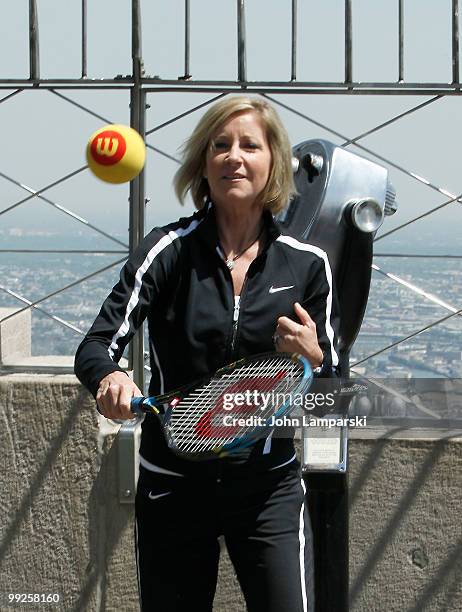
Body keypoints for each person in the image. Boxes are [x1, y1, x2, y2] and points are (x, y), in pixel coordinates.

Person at [74, 96, 339, 612]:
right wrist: (110, 378)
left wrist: (316, 359)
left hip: (268, 489)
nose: (233, 157)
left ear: (274, 163)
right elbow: (94, 346)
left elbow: (329, 390)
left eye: (249, 145)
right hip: (174, 488)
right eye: (219, 146)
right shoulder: (166, 251)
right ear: (202, 164)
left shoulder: (308, 267)